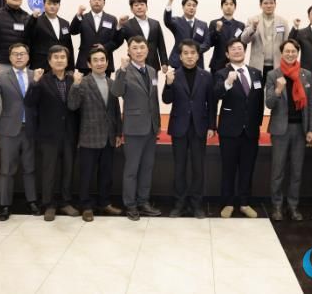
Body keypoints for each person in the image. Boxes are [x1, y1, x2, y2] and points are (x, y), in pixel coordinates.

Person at [0, 43, 40, 221]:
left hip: (30, 129)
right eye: (15, 54)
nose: (19, 57)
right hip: (9, 129)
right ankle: (5, 205)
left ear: (28, 57)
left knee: (30, 168)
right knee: (7, 169)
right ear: (9, 58)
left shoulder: (35, 75)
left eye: (22, 54)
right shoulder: (1, 75)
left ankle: (32, 201)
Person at [162, 39, 216, 218]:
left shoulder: (206, 76)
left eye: (193, 53)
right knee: (179, 168)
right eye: (185, 53)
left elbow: (211, 103)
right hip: (179, 127)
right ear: (180, 56)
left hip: (199, 127)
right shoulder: (173, 75)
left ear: (198, 55)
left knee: (198, 168)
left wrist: (212, 126)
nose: (189, 56)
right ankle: (179, 204)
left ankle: (196, 204)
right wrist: (168, 84)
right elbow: (166, 100)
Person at [25, 45, 79, 221]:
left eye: (62, 57)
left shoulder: (73, 80)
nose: (59, 60)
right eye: (55, 57)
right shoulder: (42, 80)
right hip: (48, 134)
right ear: (49, 61)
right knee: (49, 171)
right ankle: (49, 204)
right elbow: (30, 102)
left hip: (69, 133)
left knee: (68, 170)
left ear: (67, 60)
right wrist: (34, 83)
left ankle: (65, 202)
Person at [68, 47, 123, 221]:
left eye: (102, 60)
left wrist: (118, 132)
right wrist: (75, 85)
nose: (99, 63)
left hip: (108, 137)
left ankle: (104, 203)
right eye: (95, 60)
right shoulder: (83, 82)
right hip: (89, 137)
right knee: (86, 174)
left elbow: (115, 110)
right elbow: (72, 105)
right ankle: (86, 206)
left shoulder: (112, 83)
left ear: (107, 62)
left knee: (106, 174)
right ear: (89, 64)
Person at [111, 36, 162, 221]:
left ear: (147, 50)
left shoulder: (152, 70)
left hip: (151, 128)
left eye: (142, 47)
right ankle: (130, 204)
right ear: (129, 51)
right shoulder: (124, 71)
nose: (139, 51)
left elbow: (153, 100)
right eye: (135, 48)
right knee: (132, 169)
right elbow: (116, 92)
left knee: (147, 168)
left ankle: (143, 201)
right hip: (133, 128)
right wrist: (122, 70)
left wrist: (157, 124)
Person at [265, 39, 312, 221]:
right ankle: (277, 206)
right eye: (287, 51)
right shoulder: (273, 75)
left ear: (297, 53)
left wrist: (311, 129)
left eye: (293, 51)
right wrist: (278, 90)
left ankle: (293, 206)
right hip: (280, 130)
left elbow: (311, 104)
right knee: (277, 172)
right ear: (282, 53)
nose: (290, 54)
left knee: (296, 172)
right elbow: (269, 103)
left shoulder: (306, 75)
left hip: (300, 130)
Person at [214, 38, 264, 218]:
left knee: (247, 168)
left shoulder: (256, 73)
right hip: (229, 130)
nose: (237, 51)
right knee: (228, 169)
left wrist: (258, 124)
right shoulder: (221, 73)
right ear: (227, 54)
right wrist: (227, 83)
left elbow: (259, 101)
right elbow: (215, 94)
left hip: (250, 130)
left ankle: (244, 203)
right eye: (233, 49)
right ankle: (227, 203)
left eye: (240, 48)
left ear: (245, 51)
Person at [69, 0, 121, 75]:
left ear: (104, 2)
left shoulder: (112, 19)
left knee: (105, 84)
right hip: (85, 63)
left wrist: (105, 47)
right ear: (90, 2)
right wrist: (78, 15)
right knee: (85, 84)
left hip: (105, 62)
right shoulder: (82, 17)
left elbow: (116, 41)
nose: (97, 1)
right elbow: (73, 31)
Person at [241, 0, 289, 84]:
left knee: (276, 91)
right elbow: (244, 40)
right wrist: (253, 27)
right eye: (266, 3)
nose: (269, 6)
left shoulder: (283, 22)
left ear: (275, 4)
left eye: (271, 3)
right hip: (257, 65)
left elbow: (286, 43)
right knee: (257, 90)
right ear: (260, 5)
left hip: (277, 65)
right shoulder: (252, 20)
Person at [117, 0, 169, 73]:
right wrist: (119, 25)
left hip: (153, 63)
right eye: (136, 5)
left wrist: (164, 62)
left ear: (147, 7)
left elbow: (161, 44)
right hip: (135, 64)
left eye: (142, 4)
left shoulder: (155, 23)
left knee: (153, 81)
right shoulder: (127, 24)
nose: (139, 7)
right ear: (131, 9)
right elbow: (118, 41)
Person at [27, 0, 75, 71]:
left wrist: (71, 68)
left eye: (55, 4)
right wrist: (33, 18)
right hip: (41, 65)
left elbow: (69, 46)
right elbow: (28, 34)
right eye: (49, 4)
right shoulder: (35, 21)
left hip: (61, 66)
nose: (52, 6)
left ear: (59, 5)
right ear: (44, 5)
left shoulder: (65, 23)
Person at [164, 0, 211, 69]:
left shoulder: (203, 25)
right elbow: (167, 21)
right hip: (178, 62)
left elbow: (207, 43)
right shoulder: (176, 21)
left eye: (194, 6)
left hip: (197, 63)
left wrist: (194, 51)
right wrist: (170, 2)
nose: (191, 7)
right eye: (189, 5)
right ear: (183, 7)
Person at [208, 0, 245, 74]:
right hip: (217, 64)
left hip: (235, 63)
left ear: (235, 7)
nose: (228, 6)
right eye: (226, 4)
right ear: (222, 7)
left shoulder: (240, 25)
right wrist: (217, 30)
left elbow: (242, 45)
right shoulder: (214, 23)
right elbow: (210, 43)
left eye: (231, 4)